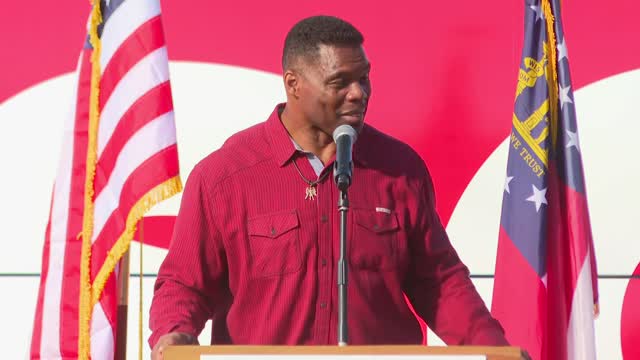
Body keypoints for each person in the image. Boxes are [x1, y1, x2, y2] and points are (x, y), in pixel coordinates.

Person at [149, 15, 509, 359]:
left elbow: (440, 282)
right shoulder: (224, 177)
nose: (358, 94)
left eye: (364, 78)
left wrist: (494, 349)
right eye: (340, 82)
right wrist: (175, 334)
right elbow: (184, 284)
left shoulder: (400, 170)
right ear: (293, 84)